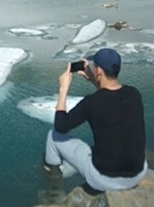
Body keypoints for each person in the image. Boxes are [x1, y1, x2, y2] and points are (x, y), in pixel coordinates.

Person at [43, 48, 148, 194]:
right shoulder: (134, 94)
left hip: (104, 180)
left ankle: (53, 185)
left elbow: (61, 126)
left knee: (53, 137)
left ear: (99, 70)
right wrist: (93, 78)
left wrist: (63, 88)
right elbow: (110, 96)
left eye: (94, 66)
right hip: (138, 174)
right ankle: (69, 168)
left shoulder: (91, 103)